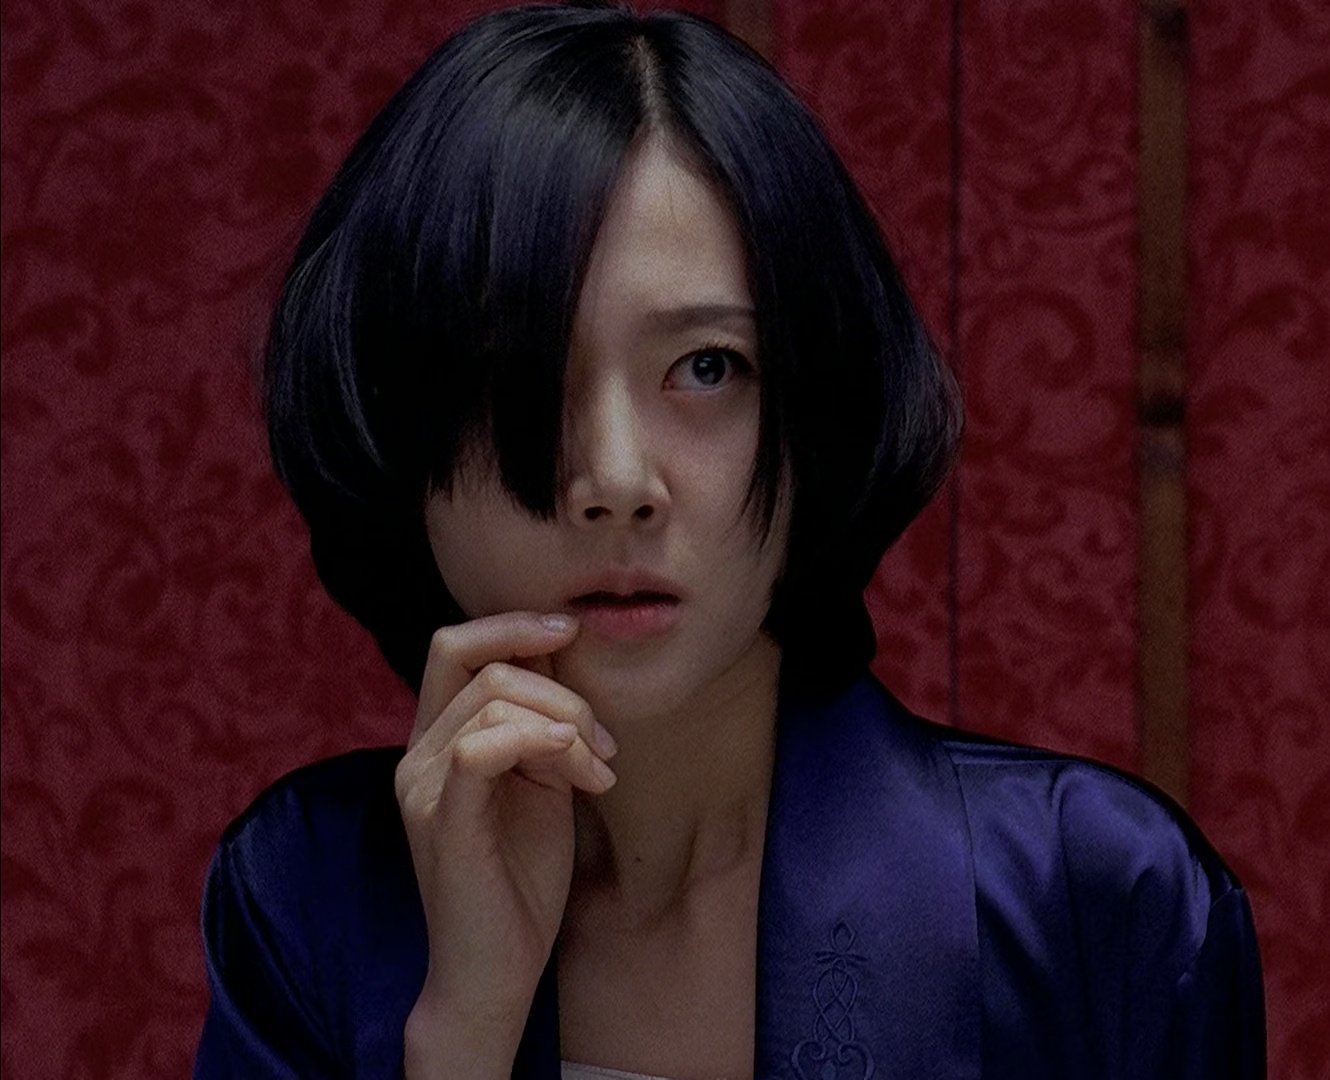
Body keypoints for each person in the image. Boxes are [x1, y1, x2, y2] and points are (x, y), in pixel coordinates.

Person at [192, 4, 1265, 1078]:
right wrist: (463, 1030)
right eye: (518, 376)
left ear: (812, 407)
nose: (618, 482)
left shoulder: (1096, 901)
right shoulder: (305, 897)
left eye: (707, 367)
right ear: (393, 426)